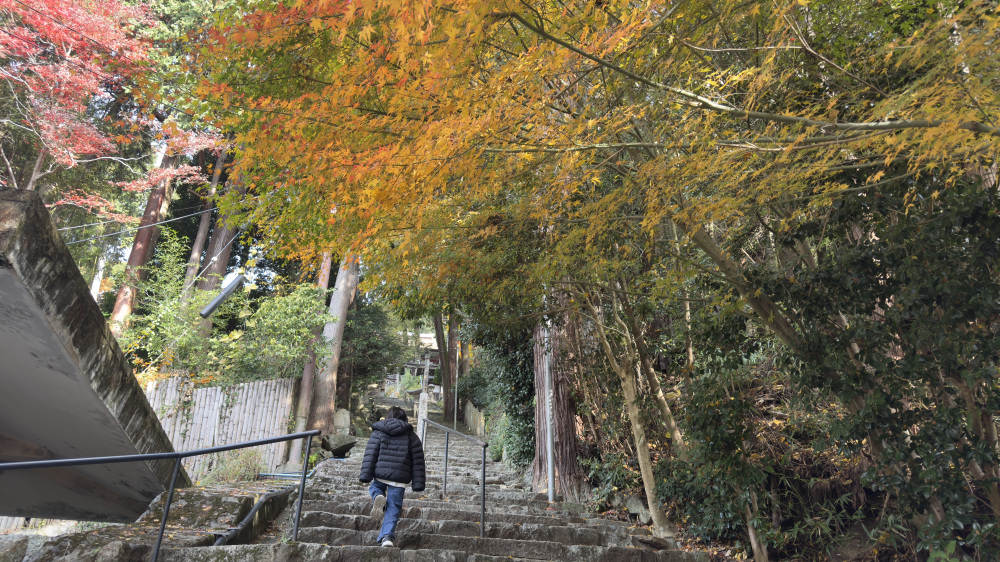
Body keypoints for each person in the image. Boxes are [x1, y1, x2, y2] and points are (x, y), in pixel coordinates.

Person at [358, 406, 426, 547]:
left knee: (375, 487)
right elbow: (417, 461)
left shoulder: (379, 432)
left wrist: (365, 475)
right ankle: (387, 537)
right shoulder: (411, 436)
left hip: (380, 474)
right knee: (394, 507)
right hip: (399, 478)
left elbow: (371, 454)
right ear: (404, 418)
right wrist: (418, 483)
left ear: (388, 416)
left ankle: (377, 496)